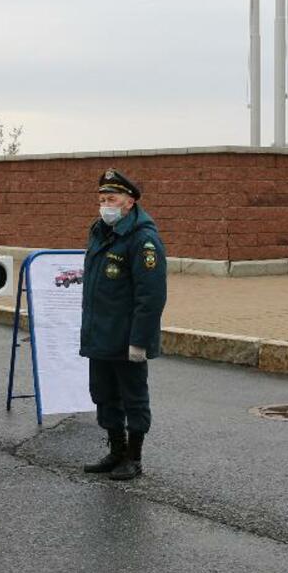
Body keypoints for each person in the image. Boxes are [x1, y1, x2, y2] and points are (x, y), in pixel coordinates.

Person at [79, 168, 167, 481]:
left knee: (133, 398)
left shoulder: (143, 240)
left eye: (112, 199)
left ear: (129, 202)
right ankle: (116, 450)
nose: (106, 205)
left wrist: (140, 341)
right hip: (100, 334)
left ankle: (134, 456)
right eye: (102, 199)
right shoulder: (100, 232)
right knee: (103, 394)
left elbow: (151, 296)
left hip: (127, 338)